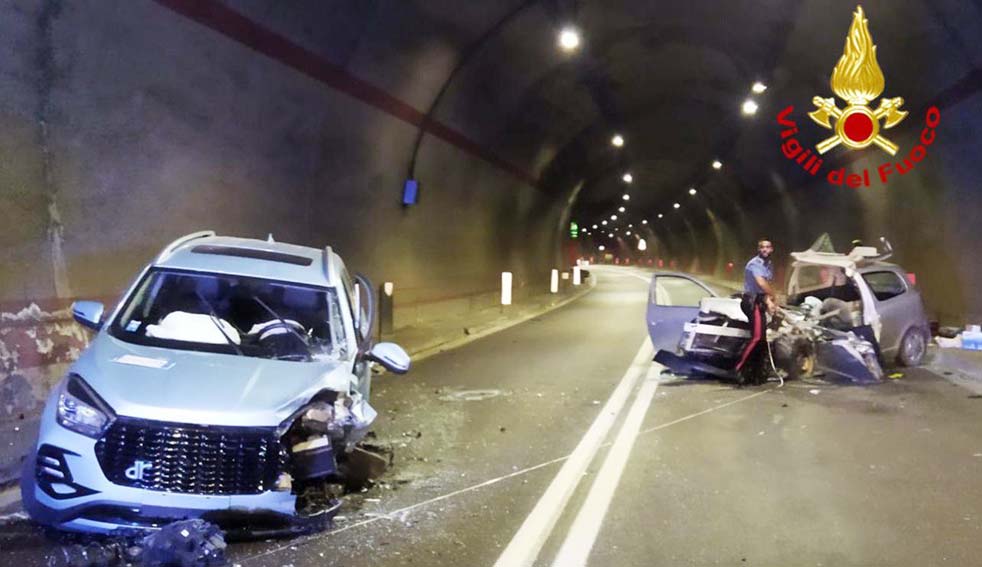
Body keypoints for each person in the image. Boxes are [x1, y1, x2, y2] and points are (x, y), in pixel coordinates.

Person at [736, 238, 776, 385]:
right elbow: (761, 283)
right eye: (762, 247)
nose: (765, 249)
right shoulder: (755, 264)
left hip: (759, 301)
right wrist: (774, 296)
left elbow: (763, 291)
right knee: (757, 337)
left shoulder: (769, 265)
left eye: (767, 247)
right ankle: (739, 368)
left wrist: (769, 302)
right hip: (751, 302)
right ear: (759, 249)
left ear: (771, 249)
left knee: (762, 339)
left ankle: (757, 372)